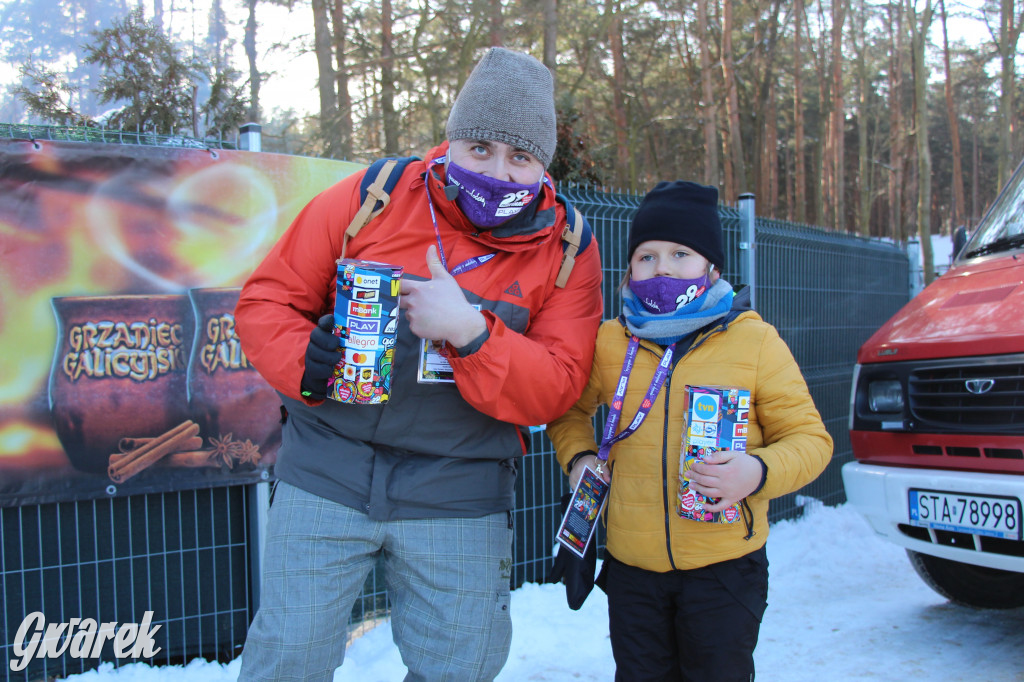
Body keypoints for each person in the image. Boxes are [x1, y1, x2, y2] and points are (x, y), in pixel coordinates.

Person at [234, 47, 603, 681]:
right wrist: (306, 359)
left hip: (460, 490)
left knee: (461, 664)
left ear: (543, 165)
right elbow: (268, 299)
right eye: (480, 148)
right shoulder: (373, 196)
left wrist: (472, 335)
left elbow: (558, 387)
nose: (497, 171)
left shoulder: (568, 250)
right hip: (328, 465)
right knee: (287, 656)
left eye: (520, 157)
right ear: (453, 139)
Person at [547, 180, 832, 682]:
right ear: (629, 268)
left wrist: (757, 471)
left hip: (724, 571)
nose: (663, 269)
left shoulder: (755, 341)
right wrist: (578, 458)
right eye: (647, 256)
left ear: (712, 268)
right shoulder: (610, 341)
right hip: (632, 571)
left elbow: (812, 441)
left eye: (681, 254)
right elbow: (567, 411)